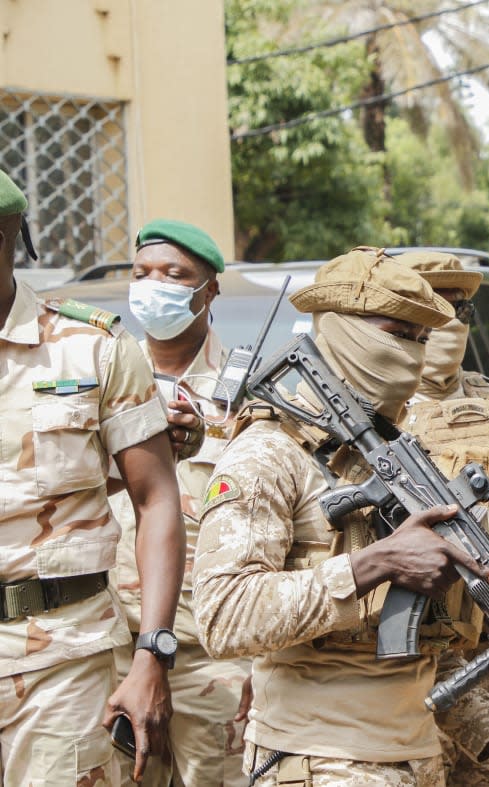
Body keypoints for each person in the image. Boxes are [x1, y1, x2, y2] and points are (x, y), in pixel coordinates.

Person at [191, 247, 489, 787]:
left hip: (416, 759)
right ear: (341, 329)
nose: (410, 354)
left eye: (420, 339)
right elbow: (224, 617)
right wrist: (372, 564)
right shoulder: (271, 452)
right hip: (317, 759)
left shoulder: (399, 460)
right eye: (395, 332)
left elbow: (418, 646)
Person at [0, 169, 184, 783]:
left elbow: (156, 498)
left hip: (64, 655)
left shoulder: (91, 347)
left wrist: (151, 653)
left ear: (6, 238)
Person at [109, 219, 250, 787]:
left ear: (209, 289)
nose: (155, 285)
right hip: (111, 652)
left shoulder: (250, 394)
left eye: (175, 275)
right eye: (142, 273)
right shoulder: (102, 377)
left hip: (212, 662)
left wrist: (265, 667)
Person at [394, 250, 489, 787]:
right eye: (435, 305)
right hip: (412, 665)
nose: (450, 321)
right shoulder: (375, 414)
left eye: (461, 309)